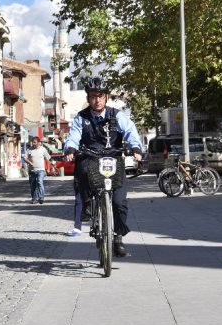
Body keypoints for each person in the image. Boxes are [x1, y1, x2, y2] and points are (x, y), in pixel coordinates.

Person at [63, 77, 143, 257]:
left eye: (100, 96)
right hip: (90, 159)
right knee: (81, 171)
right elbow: (73, 136)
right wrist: (70, 148)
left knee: (119, 202)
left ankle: (118, 237)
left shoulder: (117, 115)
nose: (96, 100)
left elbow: (130, 131)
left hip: (114, 160)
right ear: (88, 98)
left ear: (106, 97)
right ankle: (87, 205)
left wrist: (136, 147)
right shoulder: (81, 118)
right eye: (92, 96)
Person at [24, 137, 51, 204]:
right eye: (32, 142)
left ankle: (41, 197)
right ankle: (34, 198)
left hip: (41, 170)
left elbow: (47, 159)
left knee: (39, 182)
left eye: (35, 142)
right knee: (32, 185)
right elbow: (25, 157)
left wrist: (48, 168)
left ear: (39, 143)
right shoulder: (29, 149)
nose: (33, 144)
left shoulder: (43, 149)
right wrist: (29, 162)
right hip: (32, 170)